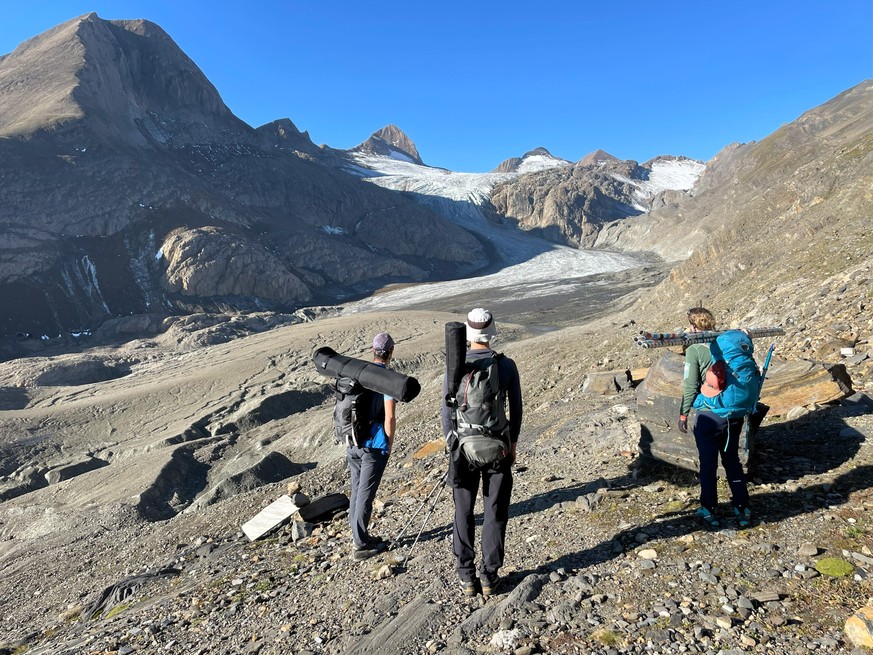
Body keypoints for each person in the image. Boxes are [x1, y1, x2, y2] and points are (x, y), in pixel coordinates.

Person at [441, 308, 522, 597]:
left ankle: (465, 575)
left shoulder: (456, 366)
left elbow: (446, 412)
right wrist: (511, 446)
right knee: (494, 509)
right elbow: (517, 410)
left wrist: (453, 443)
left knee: (463, 510)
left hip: (463, 450)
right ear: (492, 331)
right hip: (497, 447)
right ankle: (489, 575)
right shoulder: (507, 366)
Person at [678, 307, 752, 529]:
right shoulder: (728, 343)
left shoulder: (695, 349)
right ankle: (742, 507)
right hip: (734, 413)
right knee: (732, 460)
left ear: (693, 326)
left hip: (710, 414)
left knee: (708, 463)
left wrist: (683, 413)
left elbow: (690, 385)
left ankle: (709, 509)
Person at [347, 332, 397, 561]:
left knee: (357, 492)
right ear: (391, 352)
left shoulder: (361, 374)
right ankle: (361, 544)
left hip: (353, 441)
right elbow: (389, 417)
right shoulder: (387, 379)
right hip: (373, 446)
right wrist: (389, 443)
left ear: (372, 351)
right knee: (366, 495)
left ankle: (360, 535)